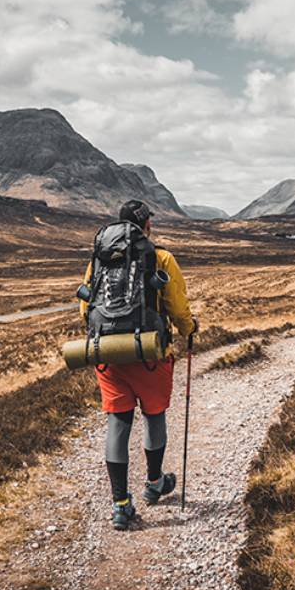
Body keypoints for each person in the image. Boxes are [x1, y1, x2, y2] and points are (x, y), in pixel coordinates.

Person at [78, 200, 197, 530]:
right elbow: (176, 304)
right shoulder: (161, 258)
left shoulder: (99, 259)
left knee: (118, 422)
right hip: (149, 353)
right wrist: (189, 330)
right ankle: (155, 483)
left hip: (109, 355)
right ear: (146, 226)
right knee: (154, 415)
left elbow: (85, 308)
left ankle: (120, 504)